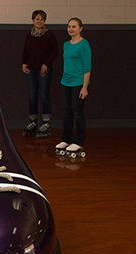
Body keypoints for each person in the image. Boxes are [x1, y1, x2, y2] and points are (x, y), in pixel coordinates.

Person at [55, 17, 91, 156]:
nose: (71, 29)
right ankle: (66, 139)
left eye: (74, 26)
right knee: (66, 112)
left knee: (77, 112)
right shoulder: (66, 45)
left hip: (78, 83)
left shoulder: (84, 44)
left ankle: (79, 141)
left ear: (80, 28)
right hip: (66, 82)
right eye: (69, 26)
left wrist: (84, 86)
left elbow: (87, 67)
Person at [21, 10, 58, 138]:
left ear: (44, 21)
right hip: (31, 69)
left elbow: (55, 51)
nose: (39, 21)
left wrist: (46, 64)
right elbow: (25, 50)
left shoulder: (49, 35)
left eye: (41, 19)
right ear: (33, 20)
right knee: (32, 95)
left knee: (44, 95)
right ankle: (33, 120)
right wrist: (23, 63)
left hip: (44, 70)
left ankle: (46, 121)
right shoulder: (29, 35)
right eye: (37, 19)